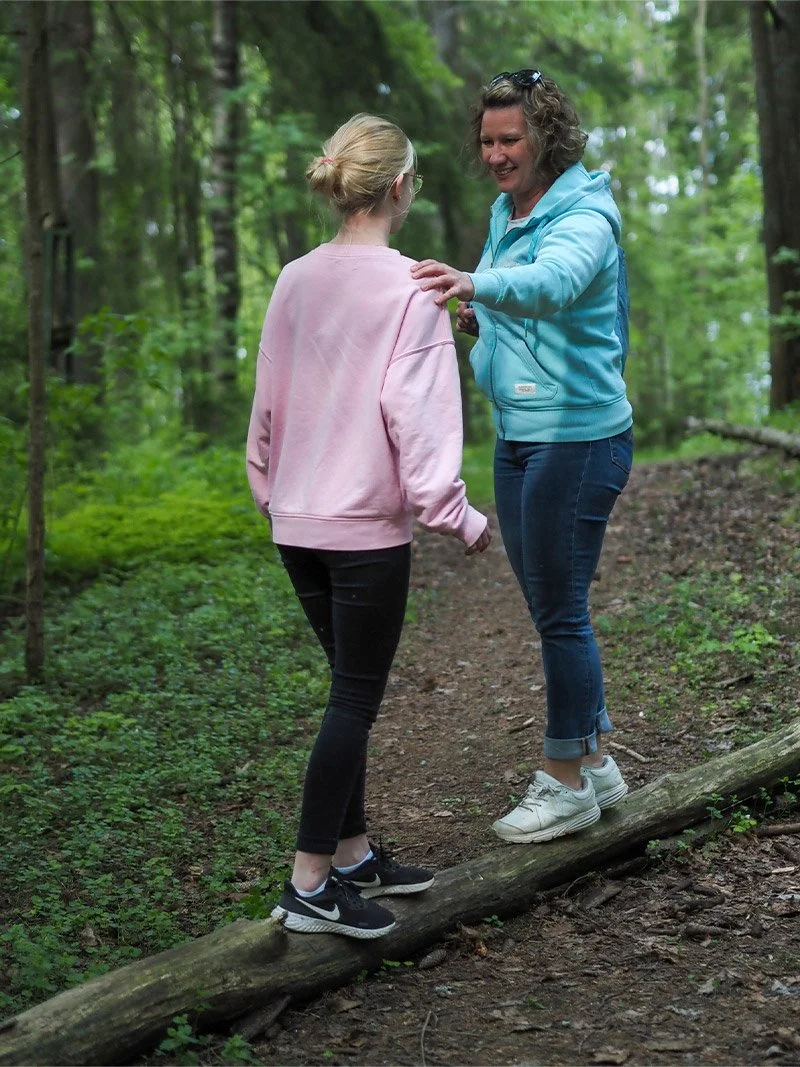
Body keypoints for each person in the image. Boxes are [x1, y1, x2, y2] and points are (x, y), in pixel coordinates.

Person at [246, 113, 490, 938]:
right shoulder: (412, 287)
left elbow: (268, 396)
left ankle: (351, 856)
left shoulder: (292, 277)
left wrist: (266, 483)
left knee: (344, 686)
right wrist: (456, 513)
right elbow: (415, 415)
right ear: (399, 187)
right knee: (354, 696)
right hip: (360, 531)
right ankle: (309, 883)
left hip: (296, 520)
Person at [411, 70, 633, 845]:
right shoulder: (511, 211)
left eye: (512, 139)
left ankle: (565, 779)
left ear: (547, 139)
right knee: (553, 607)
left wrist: (480, 279)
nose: (498, 154)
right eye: (488, 141)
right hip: (520, 433)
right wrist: (475, 313)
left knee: (562, 610)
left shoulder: (586, 213)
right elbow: (516, 310)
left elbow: (554, 285)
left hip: (576, 436)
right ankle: (596, 758)